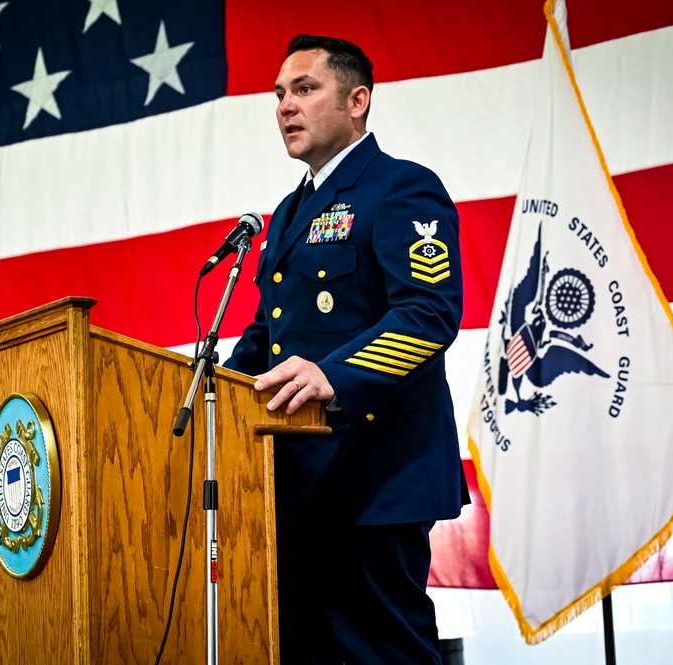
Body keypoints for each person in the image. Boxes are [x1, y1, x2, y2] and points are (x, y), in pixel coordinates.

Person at [223, 34, 469, 664]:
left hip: (376, 477)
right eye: (279, 94)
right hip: (293, 483)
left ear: (358, 100)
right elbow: (268, 336)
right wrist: (211, 389)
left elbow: (429, 314)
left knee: (383, 654)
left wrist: (333, 376)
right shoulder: (286, 214)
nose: (285, 106)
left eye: (305, 89)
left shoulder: (403, 189)